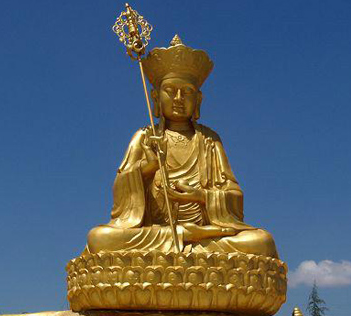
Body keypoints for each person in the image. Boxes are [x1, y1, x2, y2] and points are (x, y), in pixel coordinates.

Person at [87, 36, 278, 258]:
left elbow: (234, 195)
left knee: (261, 242)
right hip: (158, 234)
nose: (178, 98)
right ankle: (184, 235)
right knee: (100, 238)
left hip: (207, 237)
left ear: (198, 100)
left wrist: (200, 196)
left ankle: (193, 236)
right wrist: (148, 167)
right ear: (156, 97)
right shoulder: (146, 137)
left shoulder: (209, 140)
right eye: (170, 90)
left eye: (187, 91)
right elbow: (121, 196)